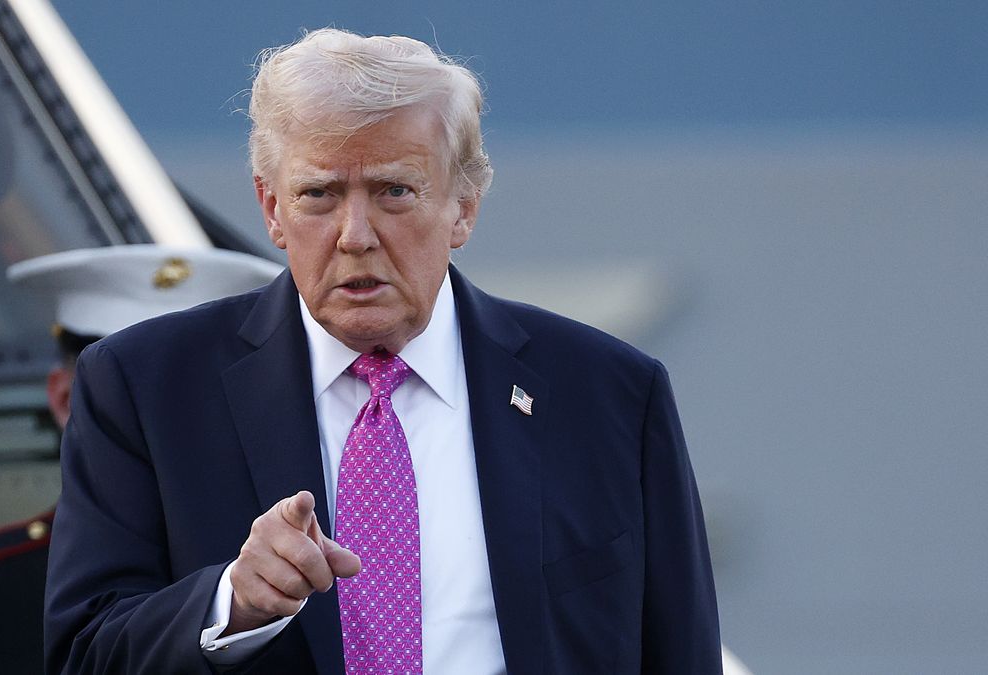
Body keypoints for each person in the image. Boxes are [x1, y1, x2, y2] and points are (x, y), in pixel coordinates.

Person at [45, 28, 722, 674]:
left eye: (394, 191)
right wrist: (231, 603)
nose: (355, 235)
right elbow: (83, 655)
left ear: (463, 206)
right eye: (319, 194)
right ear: (272, 207)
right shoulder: (146, 388)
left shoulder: (608, 394)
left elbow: (679, 650)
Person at [0, 245, 281, 675]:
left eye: (194, 398)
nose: (165, 423)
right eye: (125, 397)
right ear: (63, 400)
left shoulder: (295, 572)